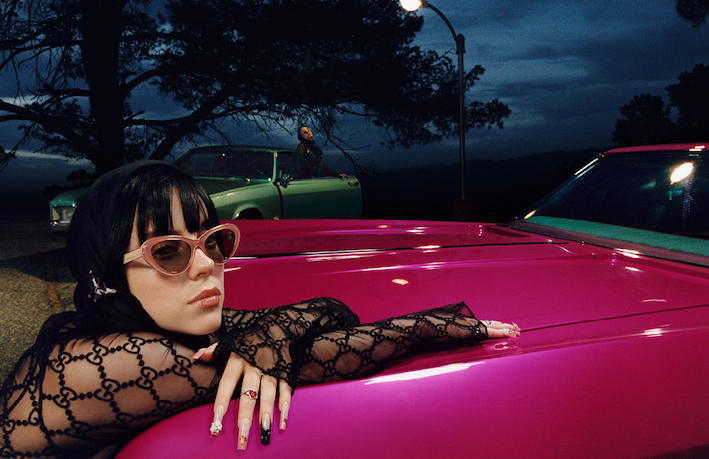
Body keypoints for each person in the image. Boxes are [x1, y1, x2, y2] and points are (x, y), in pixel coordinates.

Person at [0, 160, 520, 458]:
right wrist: (425, 327)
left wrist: (265, 337)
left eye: (214, 241)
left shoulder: (139, 317)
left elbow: (329, 310)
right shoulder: (101, 364)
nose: (205, 265)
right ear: (106, 276)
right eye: (169, 251)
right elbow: (328, 356)